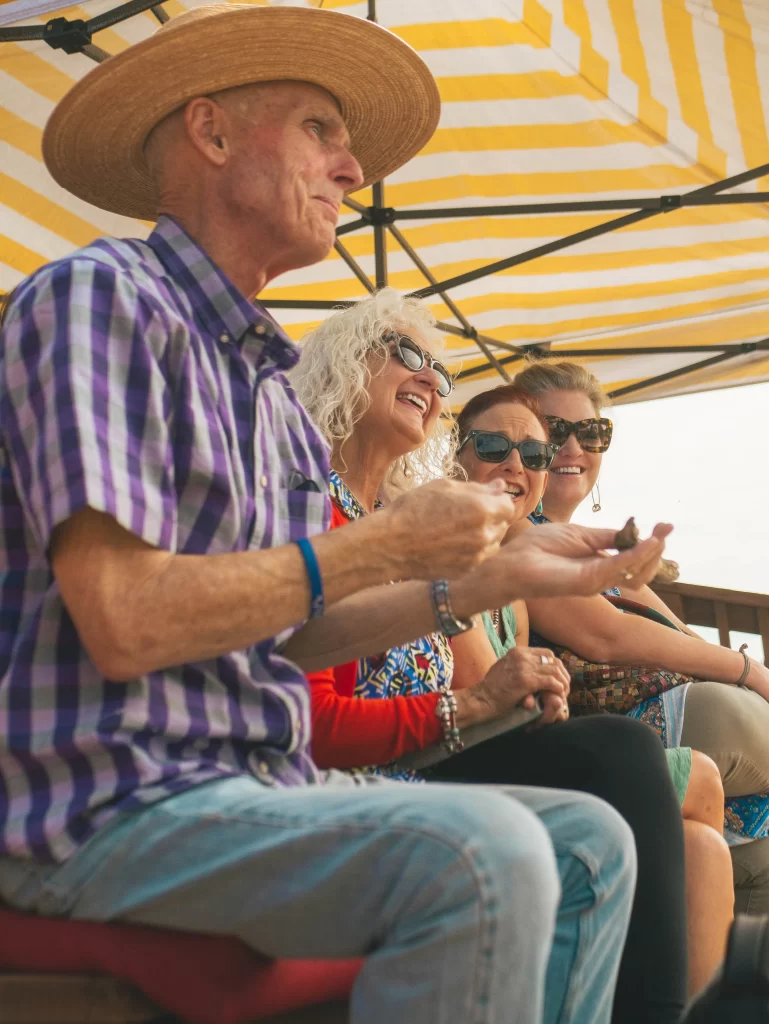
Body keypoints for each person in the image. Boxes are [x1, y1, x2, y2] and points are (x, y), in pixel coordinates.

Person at [0, 7, 667, 1023]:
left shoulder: (270, 392)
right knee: (485, 858)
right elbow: (125, 619)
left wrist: (488, 581)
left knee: (590, 843)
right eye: (320, 128)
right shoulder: (98, 297)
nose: (352, 169)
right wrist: (387, 542)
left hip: (253, 783)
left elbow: (295, 633)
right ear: (212, 134)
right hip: (106, 802)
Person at [293, 288, 699, 1020]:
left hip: (427, 751)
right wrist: (477, 700)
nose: (430, 378)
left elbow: (468, 662)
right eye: (407, 354)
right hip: (376, 768)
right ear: (345, 366)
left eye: (439, 371)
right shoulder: (302, 505)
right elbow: (313, 712)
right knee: (624, 756)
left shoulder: (403, 521)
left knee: (626, 769)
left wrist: (507, 682)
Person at [452, 382, 734, 998]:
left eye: (532, 453)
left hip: (516, 741)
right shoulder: (456, 554)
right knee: (662, 757)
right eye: (494, 445)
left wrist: (542, 693)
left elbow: (525, 671)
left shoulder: (513, 564)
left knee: (703, 849)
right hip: (460, 757)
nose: (516, 465)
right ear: (456, 457)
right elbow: (479, 694)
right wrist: (746, 670)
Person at [513, 359, 769, 917]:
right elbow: (605, 635)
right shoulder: (513, 532)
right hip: (611, 731)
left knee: (763, 858)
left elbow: (680, 636)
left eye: (593, 431)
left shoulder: (602, 557)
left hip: (679, 718)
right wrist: (751, 673)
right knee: (738, 712)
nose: (575, 446)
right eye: (557, 431)